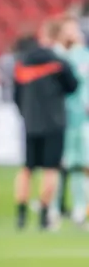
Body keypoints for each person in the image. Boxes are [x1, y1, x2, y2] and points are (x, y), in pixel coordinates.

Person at [13, 18, 77, 230]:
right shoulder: (59, 62)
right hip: (54, 122)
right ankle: (43, 214)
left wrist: (26, 112)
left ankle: (21, 215)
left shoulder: (24, 60)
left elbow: (16, 93)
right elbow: (72, 86)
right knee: (51, 170)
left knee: (27, 169)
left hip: (31, 121)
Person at [51, 16, 89, 227]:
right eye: (69, 29)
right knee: (56, 165)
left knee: (80, 166)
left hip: (80, 119)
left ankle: (79, 210)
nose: (73, 33)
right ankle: (54, 209)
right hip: (58, 118)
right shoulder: (55, 56)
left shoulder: (84, 56)